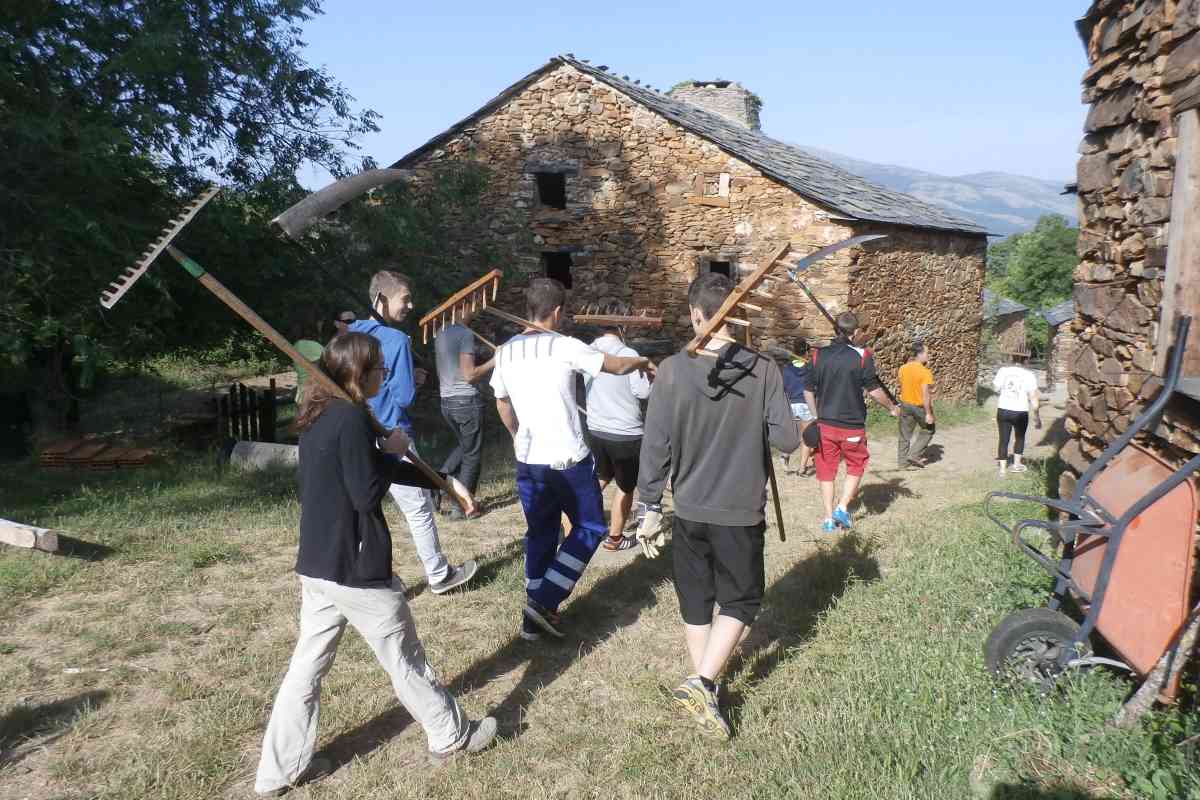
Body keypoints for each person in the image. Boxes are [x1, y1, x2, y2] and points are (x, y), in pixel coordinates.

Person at [254, 333, 494, 796]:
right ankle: (452, 736)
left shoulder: (324, 412)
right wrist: (392, 450)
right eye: (380, 368)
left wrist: (440, 479)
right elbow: (366, 491)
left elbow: (367, 467)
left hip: (319, 563)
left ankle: (277, 772)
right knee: (405, 657)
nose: (385, 374)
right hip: (353, 566)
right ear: (358, 372)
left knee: (306, 667)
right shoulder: (348, 418)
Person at [635, 272, 799, 739]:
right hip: (739, 511)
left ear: (695, 314)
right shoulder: (764, 368)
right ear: (739, 311)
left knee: (697, 599)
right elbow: (787, 440)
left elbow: (655, 444)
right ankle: (703, 682)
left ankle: (703, 690)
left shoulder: (669, 370)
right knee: (742, 599)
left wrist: (649, 505)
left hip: (688, 508)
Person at [490, 278, 653, 641]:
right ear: (559, 312)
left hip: (529, 461)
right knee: (591, 527)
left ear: (528, 307)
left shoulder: (505, 352)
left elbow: (501, 401)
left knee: (541, 532)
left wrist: (517, 436)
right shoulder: (565, 346)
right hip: (568, 461)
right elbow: (615, 365)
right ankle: (545, 600)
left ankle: (534, 618)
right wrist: (642, 360)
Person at [350, 270, 479, 595]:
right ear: (382, 298)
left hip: (356, 432)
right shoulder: (395, 340)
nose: (410, 305)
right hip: (393, 433)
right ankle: (438, 574)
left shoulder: (350, 333)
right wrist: (412, 380)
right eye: (404, 298)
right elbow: (404, 396)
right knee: (418, 506)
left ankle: (360, 575)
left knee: (363, 507)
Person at [803, 312, 900, 533]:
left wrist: (816, 416)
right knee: (856, 465)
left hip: (825, 424)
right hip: (852, 425)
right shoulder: (863, 356)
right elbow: (875, 390)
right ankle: (842, 507)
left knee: (826, 471)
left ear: (834, 329)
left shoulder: (818, 356)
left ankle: (828, 519)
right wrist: (893, 408)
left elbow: (808, 391)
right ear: (855, 332)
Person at [584, 313, 652, 551]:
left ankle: (573, 519)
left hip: (596, 428)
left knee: (601, 477)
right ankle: (615, 538)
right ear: (622, 327)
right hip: (625, 433)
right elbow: (643, 393)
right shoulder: (630, 355)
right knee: (625, 485)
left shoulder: (586, 351)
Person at [434, 307, 494, 519]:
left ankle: (438, 483)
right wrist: (497, 359)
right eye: (471, 305)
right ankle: (462, 508)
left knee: (465, 446)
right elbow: (470, 375)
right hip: (466, 402)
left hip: (447, 402)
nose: (475, 310)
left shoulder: (441, 331)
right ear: (458, 308)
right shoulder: (465, 333)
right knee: (472, 455)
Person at [993, 352, 1041, 476]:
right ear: (1025, 360)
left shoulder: (1003, 371)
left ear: (1011, 358)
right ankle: (1016, 465)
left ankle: (1002, 470)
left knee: (1003, 439)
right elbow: (1033, 397)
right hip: (1020, 411)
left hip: (1003, 409)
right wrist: (1037, 416)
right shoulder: (1029, 375)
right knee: (1019, 438)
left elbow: (995, 388)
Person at [896, 341, 936, 468]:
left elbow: (902, 385)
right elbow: (925, 394)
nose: (928, 355)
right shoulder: (925, 372)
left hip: (905, 404)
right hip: (919, 407)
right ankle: (914, 454)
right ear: (920, 354)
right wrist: (929, 413)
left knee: (904, 434)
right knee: (929, 429)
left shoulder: (903, 368)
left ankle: (902, 463)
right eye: (927, 353)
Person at [780, 338, 815, 476]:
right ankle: (801, 469)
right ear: (806, 352)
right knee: (807, 437)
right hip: (806, 404)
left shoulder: (787, 368)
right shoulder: (810, 367)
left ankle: (785, 454)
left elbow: (784, 388)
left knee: (794, 434)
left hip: (792, 405)